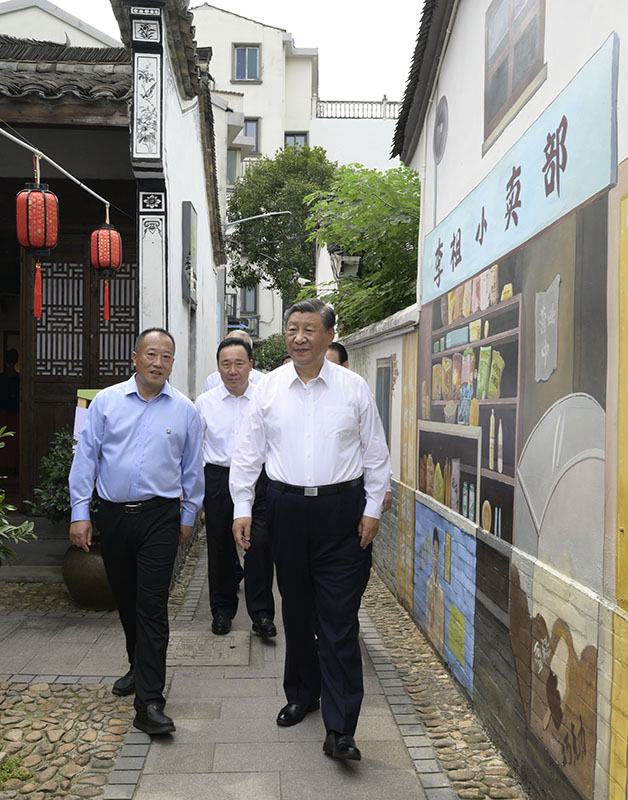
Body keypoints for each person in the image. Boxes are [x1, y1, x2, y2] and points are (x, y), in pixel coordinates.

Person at [231, 298, 391, 762]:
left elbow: (375, 454)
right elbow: (247, 454)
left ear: (328, 336)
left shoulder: (353, 389)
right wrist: (242, 507)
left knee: (339, 619)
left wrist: (373, 509)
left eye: (309, 329)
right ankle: (303, 693)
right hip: (285, 509)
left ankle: (342, 728)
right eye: (292, 329)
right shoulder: (269, 389)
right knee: (297, 610)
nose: (298, 337)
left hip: (342, 513)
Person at [68, 328, 204, 736]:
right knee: (126, 600)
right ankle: (136, 665)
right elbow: (86, 458)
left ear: (172, 363)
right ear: (134, 357)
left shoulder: (185, 410)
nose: (158, 362)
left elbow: (192, 469)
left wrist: (188, 516)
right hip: (113, 515)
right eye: (151, 354)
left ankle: (150, 701)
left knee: (151, 605)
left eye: (166, 356)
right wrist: (80, 512)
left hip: (160, 516)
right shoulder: (107, 402)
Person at [195, 337, 275, 638]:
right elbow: (196, 448)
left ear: (251, 366)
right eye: (225, 364)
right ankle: (222, 611)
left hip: (259, 480)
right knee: (219, 548)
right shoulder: (205, 403)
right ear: (218, 367)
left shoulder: (265, 399)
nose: (232, 370)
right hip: (218, 479)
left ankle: (262, 614)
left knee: (260, 547)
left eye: (239, 363)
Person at [325, 342, 393, 514]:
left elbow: (373, 443)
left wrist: (385, 487)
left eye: (331, 365)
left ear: (345, 366)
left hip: (348, 492)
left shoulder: (357, 392)